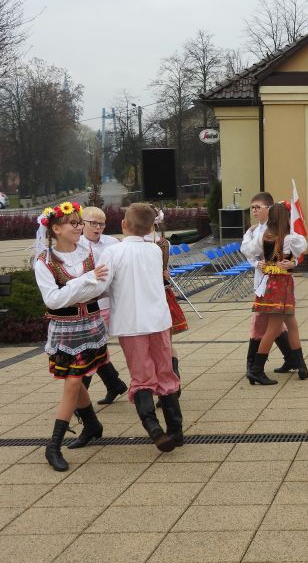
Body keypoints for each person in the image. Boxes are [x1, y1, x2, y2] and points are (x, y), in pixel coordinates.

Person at [96, 203, 183, 452]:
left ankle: (154, 428)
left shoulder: (113, 252)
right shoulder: (154, 250)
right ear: (149, 228)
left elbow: (101, 284)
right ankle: (176, 430)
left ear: (123, 224)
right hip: (157, 321)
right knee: (165, 371)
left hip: (130, 323)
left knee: (142, 376)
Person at [34, 202, 108, 471]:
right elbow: (53, 300)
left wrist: (76, 288)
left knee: (75, 379)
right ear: (56, 229)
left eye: (79, 223)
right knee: (74, 380)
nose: (79, 227)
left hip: (91, 325)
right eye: (73, 223)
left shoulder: (88, 253)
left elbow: (100, 287)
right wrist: (85, 280)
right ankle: (56, 444)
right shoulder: (44, 262)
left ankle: (89, 425)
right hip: (65, 330)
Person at [250, 201, 308, 385]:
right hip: (282, 284)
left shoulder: (264, 236)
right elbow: (302, 247)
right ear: (286, 218)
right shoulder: (290, 238)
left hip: (270, 282)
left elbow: (253, 252)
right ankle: (256, 370)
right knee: (274, 329)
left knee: (291, 323)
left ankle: (301, 366)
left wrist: (260, 263)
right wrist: (293, 263)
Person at [241, 192, 296, 377]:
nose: (254, 211)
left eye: (258, 207)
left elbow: (249, 249)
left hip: (274, 281)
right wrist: (257, 263)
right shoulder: (254, 230)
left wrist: (293, 263)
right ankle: (291, 358)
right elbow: (248, 253)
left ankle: (253, 366)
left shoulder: (270, 230)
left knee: (264, 322)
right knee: (274, 322)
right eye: (252, 208)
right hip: (262, 280)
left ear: (269, 209)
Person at [79, 206, 128, 404]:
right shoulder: (76, 245)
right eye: (93, 223)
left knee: (91, 348)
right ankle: (114, 384)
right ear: (82, 223)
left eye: (102, 224)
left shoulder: (112, 243)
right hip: (89, 303)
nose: (98, 228)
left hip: (111, 302)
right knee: (93, 348)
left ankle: (80, 398)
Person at [148, 209, 188, 408]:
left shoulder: (153, 244)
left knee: (159, 344)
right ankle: (171, 382)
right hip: (161, 292)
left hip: (153, 295)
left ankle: (169, 383)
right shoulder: (163, 242)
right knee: (164, 343)